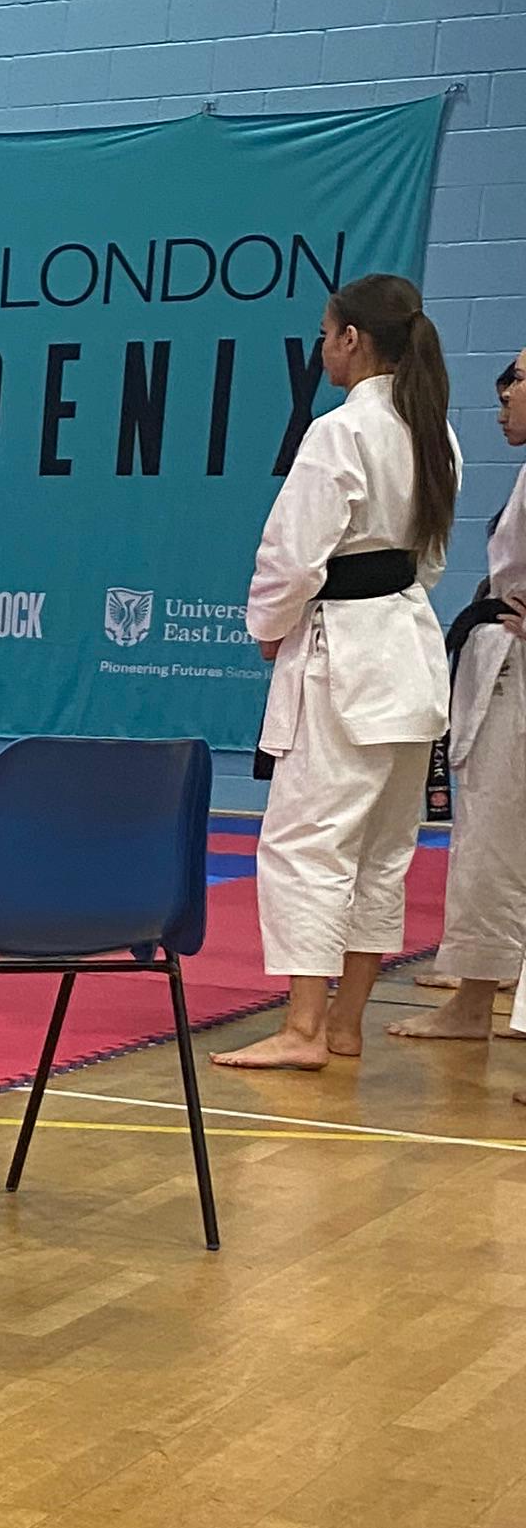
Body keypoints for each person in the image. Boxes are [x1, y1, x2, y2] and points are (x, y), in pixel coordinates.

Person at [222, 272, 459, 1073]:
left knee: (306, 844)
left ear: (352, 338)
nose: (323, 348)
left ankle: (300, 1029)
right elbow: (428, 563)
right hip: (409, 652)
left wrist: (269, 627)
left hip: (344, 657)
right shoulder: (437, 433)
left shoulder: (339, 432)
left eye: (327, 334)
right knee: (382, 851)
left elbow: (291, 556)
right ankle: (346, 1023)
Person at [395, 352, 526, 1047]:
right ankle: (485, 994)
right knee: (500, 839)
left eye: (519, 381)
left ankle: (477, 1002)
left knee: (497, 841)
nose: (505, 394)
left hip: (516, 672)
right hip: (500, 656)